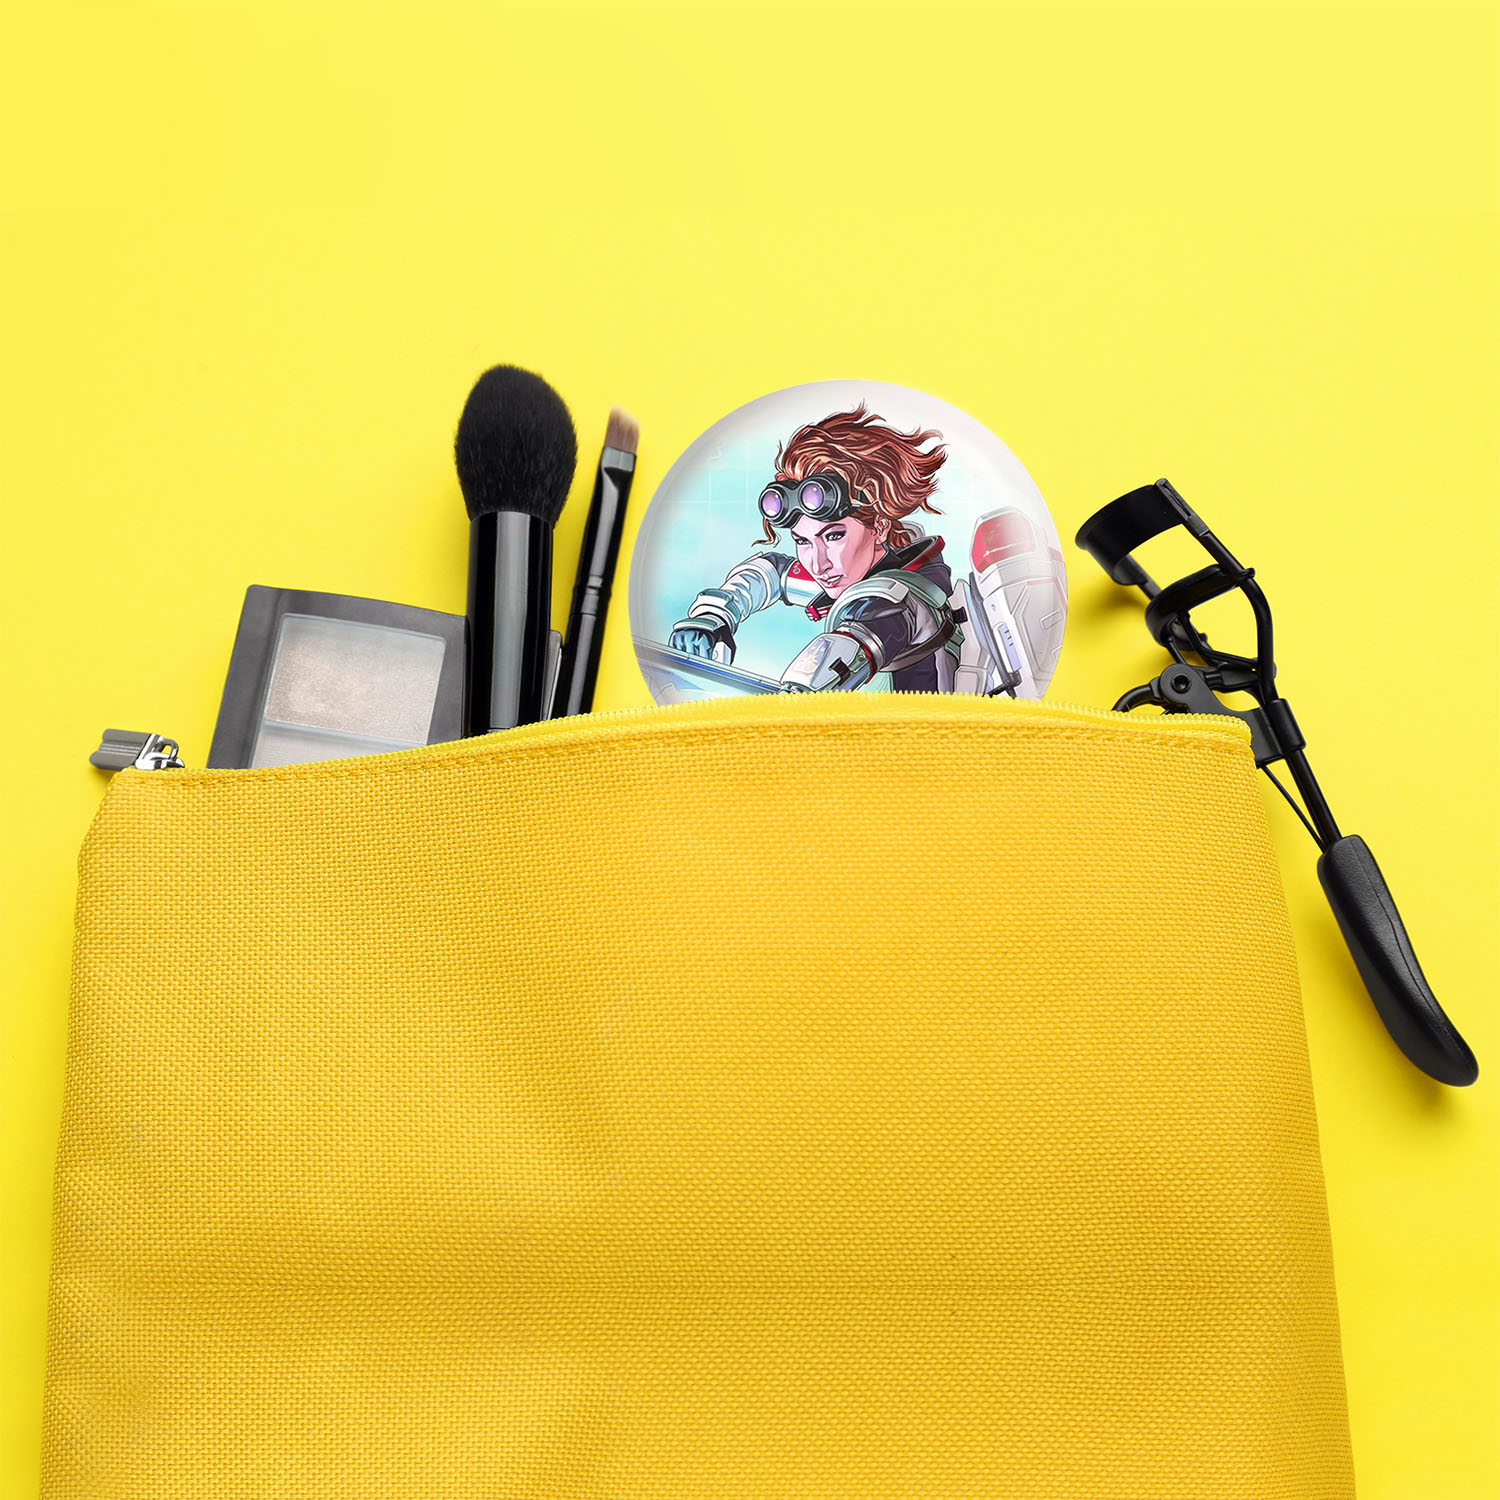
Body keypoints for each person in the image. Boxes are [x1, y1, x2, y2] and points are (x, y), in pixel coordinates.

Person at [668, 405, 963, 692]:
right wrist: (713, 615)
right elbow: (772, 571)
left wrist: (799, 694)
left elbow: (850, 648)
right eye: (803, 541)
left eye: (834, 536)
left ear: (880, 526)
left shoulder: (903, 600)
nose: (819, 565)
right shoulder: (855, 571)